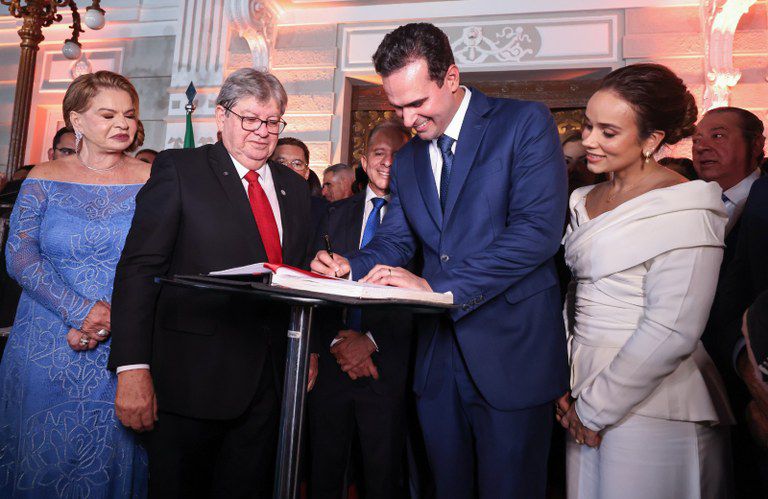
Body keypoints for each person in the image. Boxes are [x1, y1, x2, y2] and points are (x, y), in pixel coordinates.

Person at [312, 23, 568, 498]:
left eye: (417, 103)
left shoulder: (523, 123)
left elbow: (537, 233)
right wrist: (350, 264)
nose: (407, 119)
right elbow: (396, 242)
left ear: (451, 77)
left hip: (511, 351)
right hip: (436, 359)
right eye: (396, 107)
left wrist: (438, 287)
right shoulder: (409, 160)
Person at [108, 68, 315, 498]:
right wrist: (132, 367)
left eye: (272, 121)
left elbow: (298, 273)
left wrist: (309, 348)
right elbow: (139, 270)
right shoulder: (180, 170)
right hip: (191, 383)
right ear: (221, 116)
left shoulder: (295, 189)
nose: (262, 131)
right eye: (250, 119)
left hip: (271, 384)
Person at [560, 63, 733, 499]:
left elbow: (672, 329)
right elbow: (574, 296)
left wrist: (595, 408)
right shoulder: (583, 198)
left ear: (652, 140)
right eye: (588, 126)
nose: (589, 140)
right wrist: (568, 383)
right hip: (582, 385)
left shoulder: (687, 206)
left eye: (608, 132)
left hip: (655, 401)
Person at [0, 70, 150, 496]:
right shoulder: (43, 176)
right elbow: (20, 255)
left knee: (109, 454)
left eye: (129, 115)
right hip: (45, 338)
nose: (122, 124)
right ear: (76, 120)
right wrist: (79, 310)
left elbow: (156, 259)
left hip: (121, 339)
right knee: (39, 458)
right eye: (108, 114)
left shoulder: (151, 179)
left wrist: (109, 319)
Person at [309, 121, 412, 499]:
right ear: (364, 163)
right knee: (324, 473)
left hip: (388, 367)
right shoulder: (333, 214)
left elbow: (429, 287)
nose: (388, 162)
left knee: (382, 479)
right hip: (333, 364)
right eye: (379, 153)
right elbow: (313, 279)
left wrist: (370, 341)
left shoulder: (423, 217)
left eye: (398, 155)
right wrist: (336, 342)